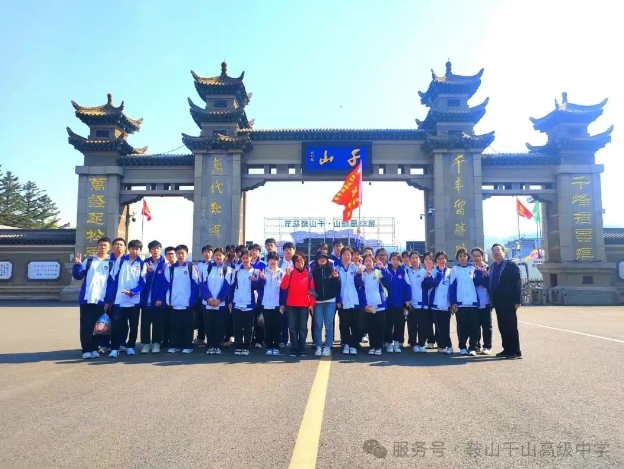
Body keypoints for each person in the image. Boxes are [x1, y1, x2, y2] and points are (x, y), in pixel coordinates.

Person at [72, 236, 113, 359]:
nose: (103, 247)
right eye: (101, 245)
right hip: (87, 299)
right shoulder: (89, 261)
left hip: (101, 300)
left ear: (109, 248)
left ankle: (95, 348)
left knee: (99, 326)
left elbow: (111, 283)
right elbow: (78, 276)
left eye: (105, 245)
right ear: (97, 246)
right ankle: (86, 350)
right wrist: (77, 265)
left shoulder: (111, 263)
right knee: (86, 326)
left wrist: (108, 300)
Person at [105, 239, 146, 358]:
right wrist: (109, 299)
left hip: (134, 301)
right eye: (133, 248)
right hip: (119, 300)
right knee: (116, 325)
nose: (135, 251)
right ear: (129, 249)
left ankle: (130, 346)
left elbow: (143, 283)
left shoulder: (142, 264)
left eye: (137, 249)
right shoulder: (120, 261)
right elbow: (113, 280)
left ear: (140, 250)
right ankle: (114, 348)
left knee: (133, 326)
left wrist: (133, 292)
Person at [162, 244, 199, 354]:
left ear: (187, 254)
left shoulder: (191, 267)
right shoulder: (171, 269)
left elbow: (196, 284)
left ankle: (187, 345)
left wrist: (192, 300)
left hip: (187, 302)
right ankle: (174, 345)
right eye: (178, 253)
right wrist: (168, 300)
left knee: (187, 326)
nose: (180, 255)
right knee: (174, 326)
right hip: (174, 302)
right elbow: (166, 285)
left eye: (183, 253)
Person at [489, 244, 522, 359]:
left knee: (511, 326)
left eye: (498, 250)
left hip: (509, 301)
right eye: (494, 251)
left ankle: (515, 351)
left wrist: (517, 300)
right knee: (502, 326)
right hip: (498, 301)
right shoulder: (493, 266)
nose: (496, 253)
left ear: (503, 252)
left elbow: (517, 283)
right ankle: (506, 349)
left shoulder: (510, 265)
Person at [280, 253, 314, 357]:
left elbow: (313, 291)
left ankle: (302, 348)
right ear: (294, 263)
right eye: (297, 261)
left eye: (302, 260)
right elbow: (283, 287)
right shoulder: (290, 273)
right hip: (291, 305)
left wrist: (311, 304)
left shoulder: (309, 275)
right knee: (292, 328)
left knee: (303, 328)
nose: (300, 262)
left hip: (304, 305)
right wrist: (287, 275)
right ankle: (294, 348)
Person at [199, 247, 232, 355]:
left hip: (220, 304)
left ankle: (218, 346)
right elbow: (202, 284)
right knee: (209, 325)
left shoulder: (228, 270)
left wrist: (219, 299)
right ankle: (210, 345)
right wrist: (208, 298)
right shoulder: (206, 268)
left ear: (224, 256)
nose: (218, 257)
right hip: (207, 303)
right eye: (216, 255)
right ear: (213, 256)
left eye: (220, 255)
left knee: (219, 326)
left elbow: (227, 287)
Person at [449, 248, 480, 356]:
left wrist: (479, 271)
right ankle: (462, 347)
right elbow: (452, 287)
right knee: (462, 326)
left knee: (474, 326)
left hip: (473, 302)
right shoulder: (454, 269)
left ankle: (473, 347)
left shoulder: (473, 268)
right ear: (457, 258)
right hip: (460, 303)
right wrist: (453, 301)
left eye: (464, 256)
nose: (462, 258)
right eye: (460, 256)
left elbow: (478, 282)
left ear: (468, 257)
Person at [309, 252, 340, 357]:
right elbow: (310, 288)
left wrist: (336, 278)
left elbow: (337, 287)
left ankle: (328, 346)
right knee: (318, 324)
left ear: (327, 260)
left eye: (324, 258)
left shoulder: (332, 270)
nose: (322, 259)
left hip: (330, 301)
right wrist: (316, 296)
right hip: (317, 302)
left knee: (329, 324)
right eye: (320, 258)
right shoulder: (313, 272)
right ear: (316, 260)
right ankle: (318, 346)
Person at [229, 250, 259, 356]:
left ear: (251, 258)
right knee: (237, 326)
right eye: (243, 258)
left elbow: (258, 287)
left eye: (247, 258)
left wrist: (255, 281)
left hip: (249, 303)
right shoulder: (236, 271)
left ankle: (246, 346)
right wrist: (230, 301)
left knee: (248, 327)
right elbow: (232, 286)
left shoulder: (256, 271)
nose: (245, 260)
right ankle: (238, 345)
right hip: (237, 302)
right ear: (241, 259)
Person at [423, 251, 453, 355]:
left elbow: (453, 287)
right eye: (439, 259)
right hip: (435, 304)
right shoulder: (433, 271)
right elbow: (431, 285)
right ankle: (442, 346)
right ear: (436, 260)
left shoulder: (450, 272)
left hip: (447, 304)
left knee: (446, 326)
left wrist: (453, 302)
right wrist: (438, 273)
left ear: (446, 260)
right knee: (439, 326)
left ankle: (447, 345)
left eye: (443, 258)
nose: (441, 260)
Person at [256, 252, 286, 356]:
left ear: (278, 260)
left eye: (275, 259)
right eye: (271, 259)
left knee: (277, 327)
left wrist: (282, 303)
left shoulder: (281, 273)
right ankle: (269, 347)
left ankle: (276, 347)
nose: (273, 261)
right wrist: (262, 279)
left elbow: (284, 290)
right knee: (268, 327)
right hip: (266, 304)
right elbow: (258, 287)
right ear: (268, 260)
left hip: (277, 305)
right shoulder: (263, 271)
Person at [140, 240, 167, 354]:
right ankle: (146, 344)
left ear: (161, 250)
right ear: (149, 250)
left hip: (158, 300)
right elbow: (142, 280)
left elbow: (166, 283)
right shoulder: (145, 263)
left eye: (157, 248)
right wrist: (149, 273)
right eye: (153, 248)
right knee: (145, 323)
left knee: (158, 323)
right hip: (146, 299)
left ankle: (156, 343)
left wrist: (160, 298)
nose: (155, 250)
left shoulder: (165, 264)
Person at [381, 252, 410, 354]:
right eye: (393, 259)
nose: (395, 261)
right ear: (390, 260)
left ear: (400, 261)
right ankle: (389, 343)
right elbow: (384, 284)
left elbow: (408, 286)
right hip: (389, 303)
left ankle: (397, 343)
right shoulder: (386, 270)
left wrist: (407, 299)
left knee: (399, 324)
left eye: (397, 259)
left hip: (400, 303)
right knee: (388, 324)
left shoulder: (403, 271)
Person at [358, 254, 387, 355]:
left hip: (379, 304)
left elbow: (387, 281)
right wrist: (364, 304)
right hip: (368, 305)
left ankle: (378, 347)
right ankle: (372, 346)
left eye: (370, 261)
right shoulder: (362, 274)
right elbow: (360, 289)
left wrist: (382, 268)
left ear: (373, 262)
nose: (368, 263)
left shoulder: (377, 272)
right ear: (363, 263)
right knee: (371, 327)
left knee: (380, 327)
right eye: (366, 261)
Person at [336, 246, 363, 355]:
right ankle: (346, 344)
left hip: (354, 301)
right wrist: (338, 300)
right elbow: (336, 287)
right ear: (340, 256)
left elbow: (360, 284)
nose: (346, 257)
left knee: (355, 325)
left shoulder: (355, 268)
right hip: (343, 301)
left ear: (351, 256)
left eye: (348, 254)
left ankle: (353, 345)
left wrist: (359, 275)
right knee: (344, 325)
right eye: (344, 254)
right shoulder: (337, 269)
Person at [405, 251, 429, 353]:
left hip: (422, 303)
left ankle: (422, 344)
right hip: (411, 304)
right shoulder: (406, 271)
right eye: (412, 258)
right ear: (409, 260)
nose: (414, 260)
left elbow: (429, 286)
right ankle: (414, 344)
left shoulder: (424, 272)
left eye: (416, 258)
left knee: (423, 325)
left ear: (420, 259)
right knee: (412, 326)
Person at [471, 247, 492, 354]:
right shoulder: (470, 269)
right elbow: (475, 283)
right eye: (474, 256)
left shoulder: (487, 268)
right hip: (473, 302)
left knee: (486, 326)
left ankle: (487, 346)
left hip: (486, 302)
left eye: (478, 256)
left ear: (482, 256)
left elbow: (487, 284)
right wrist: (481, 275)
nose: (476, 258)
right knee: (474, 326)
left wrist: (484, 275)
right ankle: (475, 346)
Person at [193, 245, 213, 345]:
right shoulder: (199, 266)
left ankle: (212, 339)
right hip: (201, 296)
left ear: (212, 253)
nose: (207, 253)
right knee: (200, 318)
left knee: (211, 319)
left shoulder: (215, 265)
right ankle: (200, 337)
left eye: (209, 251)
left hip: (213, 296)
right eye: (205, 251)